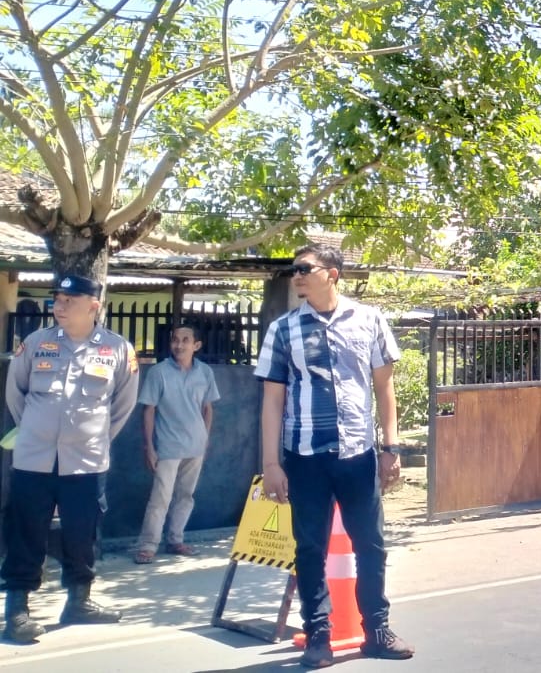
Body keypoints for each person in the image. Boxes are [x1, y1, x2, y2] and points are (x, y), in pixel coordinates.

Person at [255, 245, 413, 667]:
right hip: (305, 457)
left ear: (333, 274)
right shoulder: (284, 330)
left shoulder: (369, 320)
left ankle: (376, 630)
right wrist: (271, 464)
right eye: (294, 270)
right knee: (309, 549)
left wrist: (391, 448)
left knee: (371, 545)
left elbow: (384, 389)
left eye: (305, 268)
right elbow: (272, 401)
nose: (297, 276)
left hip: (357, 455)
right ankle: (319, 635)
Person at [3, 275, 137, 645]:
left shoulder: (118, 350)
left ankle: (79, 600)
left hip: (87, 461)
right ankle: (17, 609)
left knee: (83, 533)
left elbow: (122, 406)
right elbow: (17, 394)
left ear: (93, 304)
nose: (58, 306)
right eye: (56, 299)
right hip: (34, 459)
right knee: (26, 530)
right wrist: (37, 429)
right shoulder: (35, 343)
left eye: (68, 300)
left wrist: (91, 438)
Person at [133, 324, 221, 564]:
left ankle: (175, 539)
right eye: (175, 340)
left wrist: (205, 438)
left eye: (185, 340)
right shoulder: (159, 372)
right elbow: (148, 410)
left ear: (197, 345)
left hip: (196, 446)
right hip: (168, 446)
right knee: (160, 497)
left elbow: (207, 408)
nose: (179, 345)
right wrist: (149, 447)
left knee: (186, 495)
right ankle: (147, 545)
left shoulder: (205, 373)